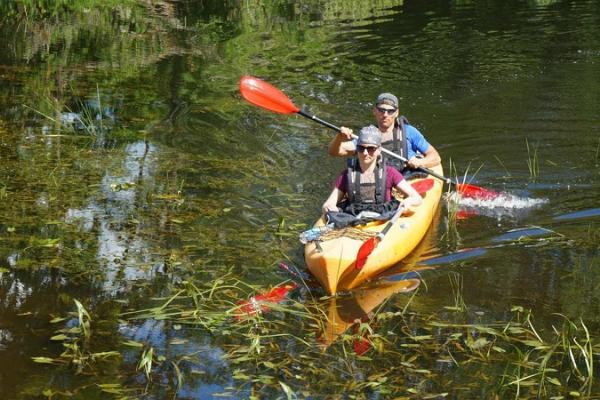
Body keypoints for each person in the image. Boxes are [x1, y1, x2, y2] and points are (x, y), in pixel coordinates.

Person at [321, 126, 422, 224]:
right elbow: (329, 203)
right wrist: (329, 207)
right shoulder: (346, 175)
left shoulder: (390, 173)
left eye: (371, 149)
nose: (365, 153)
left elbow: (416, 197)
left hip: (382, 220)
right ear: (357, 149)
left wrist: (409, 201)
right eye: (361, 148)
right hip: (354, 219)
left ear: (378, 150)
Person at [328, 92, 441, 173]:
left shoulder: (409, 131)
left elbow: (435, 157)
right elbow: (335, 152)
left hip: (405, 178)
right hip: (379, 181)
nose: (385, 114)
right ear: (375, 111)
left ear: (396, 113)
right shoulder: (367, 135)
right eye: (381, 110)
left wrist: (421, 162)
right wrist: (339, 137)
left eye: (390, 111)